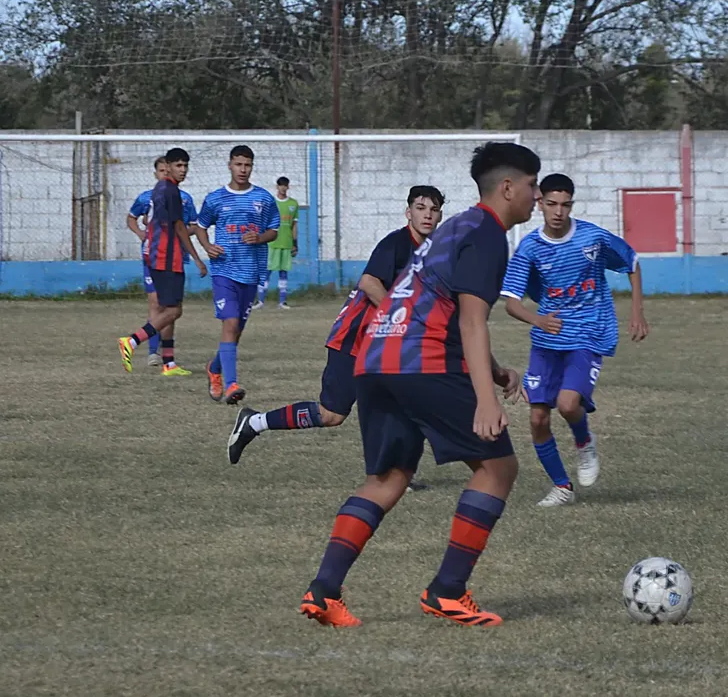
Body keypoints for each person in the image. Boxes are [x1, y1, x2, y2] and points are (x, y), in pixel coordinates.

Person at [298, 142, 540, 629]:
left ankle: (324, 591)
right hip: (422, 362)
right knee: (498, 469)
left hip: (376, 357)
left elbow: (441, 306)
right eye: (533, 187)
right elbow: (472, 321)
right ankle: (447, 590)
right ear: (508, 188)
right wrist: (487, 400)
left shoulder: (452, 229)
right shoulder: (488, 234)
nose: (537, 197)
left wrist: (492, 370)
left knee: (387, 479)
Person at [226, 186, 446, 478]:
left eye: (433, 209)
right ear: (409, 212)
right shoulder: (396, 243)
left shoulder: (430, 252)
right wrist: (403, 319)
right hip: (354, 340)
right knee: (331, 415)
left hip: (385, 345)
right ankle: (254, 423)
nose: (427, 214)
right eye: (420, 208)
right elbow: (369, 282)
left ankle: (394, 475)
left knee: (404, 402)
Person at [500, 173, 649, 507]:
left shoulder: (592, 239)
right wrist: (537, 319)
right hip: (547, 338)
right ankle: (562, 487)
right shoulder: (530, 248)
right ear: (539, 204)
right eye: (551, 204)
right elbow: (510, 302)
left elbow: (632, 261)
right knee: (537, 418)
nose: (558, 211)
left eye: (565, 205)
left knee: (568, 404)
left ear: (572, 205)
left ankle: (584, 442)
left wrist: (637, 311)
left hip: (588, 332)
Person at [194, 145, 280, 405]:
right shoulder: (215, 199)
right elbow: (199, 227)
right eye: (238, 164)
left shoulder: (263, 199)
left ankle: (215, 368)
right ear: (229, 165)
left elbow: (274, 230)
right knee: (229, 325)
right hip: (224, 272)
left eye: (247, 165)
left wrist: (260, 237)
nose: (243, 169)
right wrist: (208, 247)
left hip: (251, 273)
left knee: (236, 331)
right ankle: (231, 384)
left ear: (252, 167)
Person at [117, 148, 208, 372]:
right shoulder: (170, 192)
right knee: (173, 311)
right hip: (167, 259)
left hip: (161, 257)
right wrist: (197, 258)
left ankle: (168, 363)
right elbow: (178, 226)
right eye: (178, 165)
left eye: (185, 166)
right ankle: (132, 341)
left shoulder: (162, 189)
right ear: (167, 166)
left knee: (171, 309)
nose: (183, 170)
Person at [254, 176, 299, 310]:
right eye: (281, 185)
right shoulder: (270, 202)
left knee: (283, 272)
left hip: (286, 243)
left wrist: (295, 243)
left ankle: (282, 301)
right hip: (271, 243)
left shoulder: (293, 204)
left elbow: (294, 225)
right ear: (277, 187)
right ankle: (260, 301)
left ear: (288, 187)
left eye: (285, 185)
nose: (283, 188)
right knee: (266, 271)